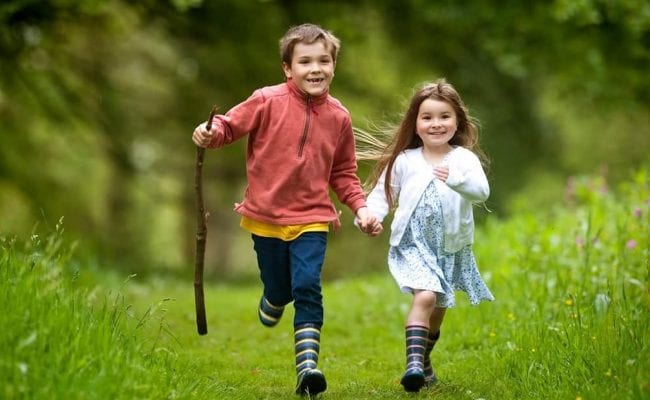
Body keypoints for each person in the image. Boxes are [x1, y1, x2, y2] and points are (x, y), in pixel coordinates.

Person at [192, 23, 380, 396]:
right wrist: (210, 132)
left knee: (308, 285)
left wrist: (360, 208)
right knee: (280, 285)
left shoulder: (339, 116)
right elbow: (229, 127)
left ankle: (307, 368)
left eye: (323, 60)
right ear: (287, 68)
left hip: (313, 217)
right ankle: (274, 297)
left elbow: (343, 172)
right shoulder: (266, 100)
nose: (315, 69)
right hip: (266, 217)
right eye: (305, 61)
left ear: (333, 66)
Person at [357, 79, 494, 392]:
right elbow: (382, 196)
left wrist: (457, 180)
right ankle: (414, 366)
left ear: (457, 121)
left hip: (449, 248)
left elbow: (481, 191)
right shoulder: (406, 161)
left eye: (444, 116)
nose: (436, 124)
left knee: (439, 309)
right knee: (427, 296)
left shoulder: (463, 160)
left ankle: (424, 361)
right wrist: (370, 218)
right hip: (413, 245)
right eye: (427, 117)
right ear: (415, 124)